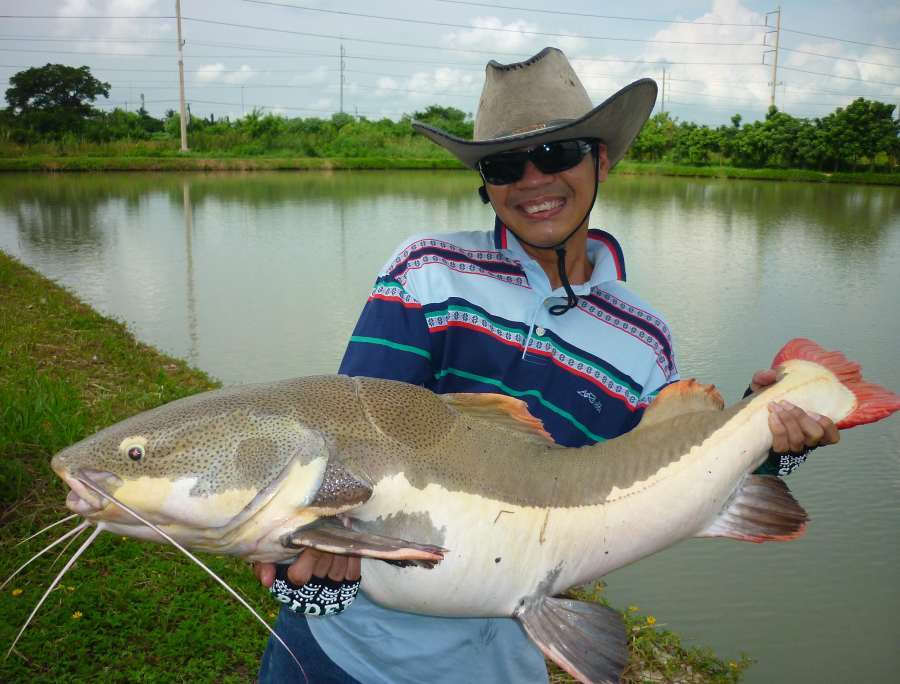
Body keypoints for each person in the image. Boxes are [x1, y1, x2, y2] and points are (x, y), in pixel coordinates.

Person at [254, 47, 838, 683]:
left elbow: (658, 485)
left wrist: (769, 437)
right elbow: (348, 441)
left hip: (501, 664)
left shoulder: (645, 341)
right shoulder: (426, 275)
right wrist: (312, 586)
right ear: (486, 184)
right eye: (506, 164)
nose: (533, 181)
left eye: (558, 154)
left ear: (601, 160)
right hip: (337, 654)